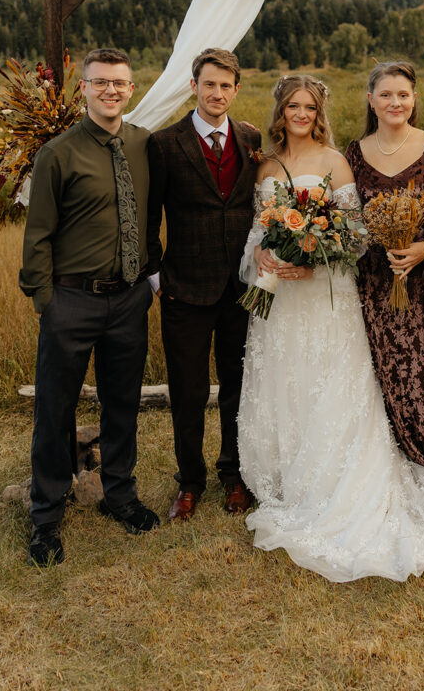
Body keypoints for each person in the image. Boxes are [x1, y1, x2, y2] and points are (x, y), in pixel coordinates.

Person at [237, 75, 424, 582]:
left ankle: (339, 482)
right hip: (279, 297)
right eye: (293, 105)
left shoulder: (337, 162)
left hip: (325, 296)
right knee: (284, 384)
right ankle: (292, 480)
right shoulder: (265, 165)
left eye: (310, 106)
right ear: (280, 111)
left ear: (321, 112)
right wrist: (264, 252)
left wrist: (314, 260)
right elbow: (258, 226)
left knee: (333, 386)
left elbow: (353, 236)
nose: (301, 113)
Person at [20, 48, 159, 567]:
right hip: (72, 300)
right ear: (84, 88)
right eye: (101, 83)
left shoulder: (145, 144)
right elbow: (38, 235)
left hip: (129, 298)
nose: (111, 91)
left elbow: (150, 215)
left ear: (130, 87)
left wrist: (148, 277)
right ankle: (46, 517)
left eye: (120, 84)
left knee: (122, 403)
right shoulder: (58, 153)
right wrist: (46, 302)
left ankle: (119, 496)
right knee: (54, 409)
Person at [147, 48, 261, 521]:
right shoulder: (164, 143)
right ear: (194, 86)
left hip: (243, 291)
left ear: (236, 90)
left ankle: (234, 475)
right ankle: (189, 482)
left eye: (226, 86)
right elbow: (149, 216)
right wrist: (158, 280)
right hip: (184, 291)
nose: (217, 93)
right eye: (209, 84)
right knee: (188, 392)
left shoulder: (252, 138)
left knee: (239, 387)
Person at [345, 61, 424, 500]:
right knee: (380, 371)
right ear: (370, 99)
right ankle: (386, 478)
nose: (396, 102)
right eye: (387, 94)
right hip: (374, 280)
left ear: (414, 99)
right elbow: (347, 220)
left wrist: (421, 250)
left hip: (422, 280)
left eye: (404, 95)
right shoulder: (353, 153)